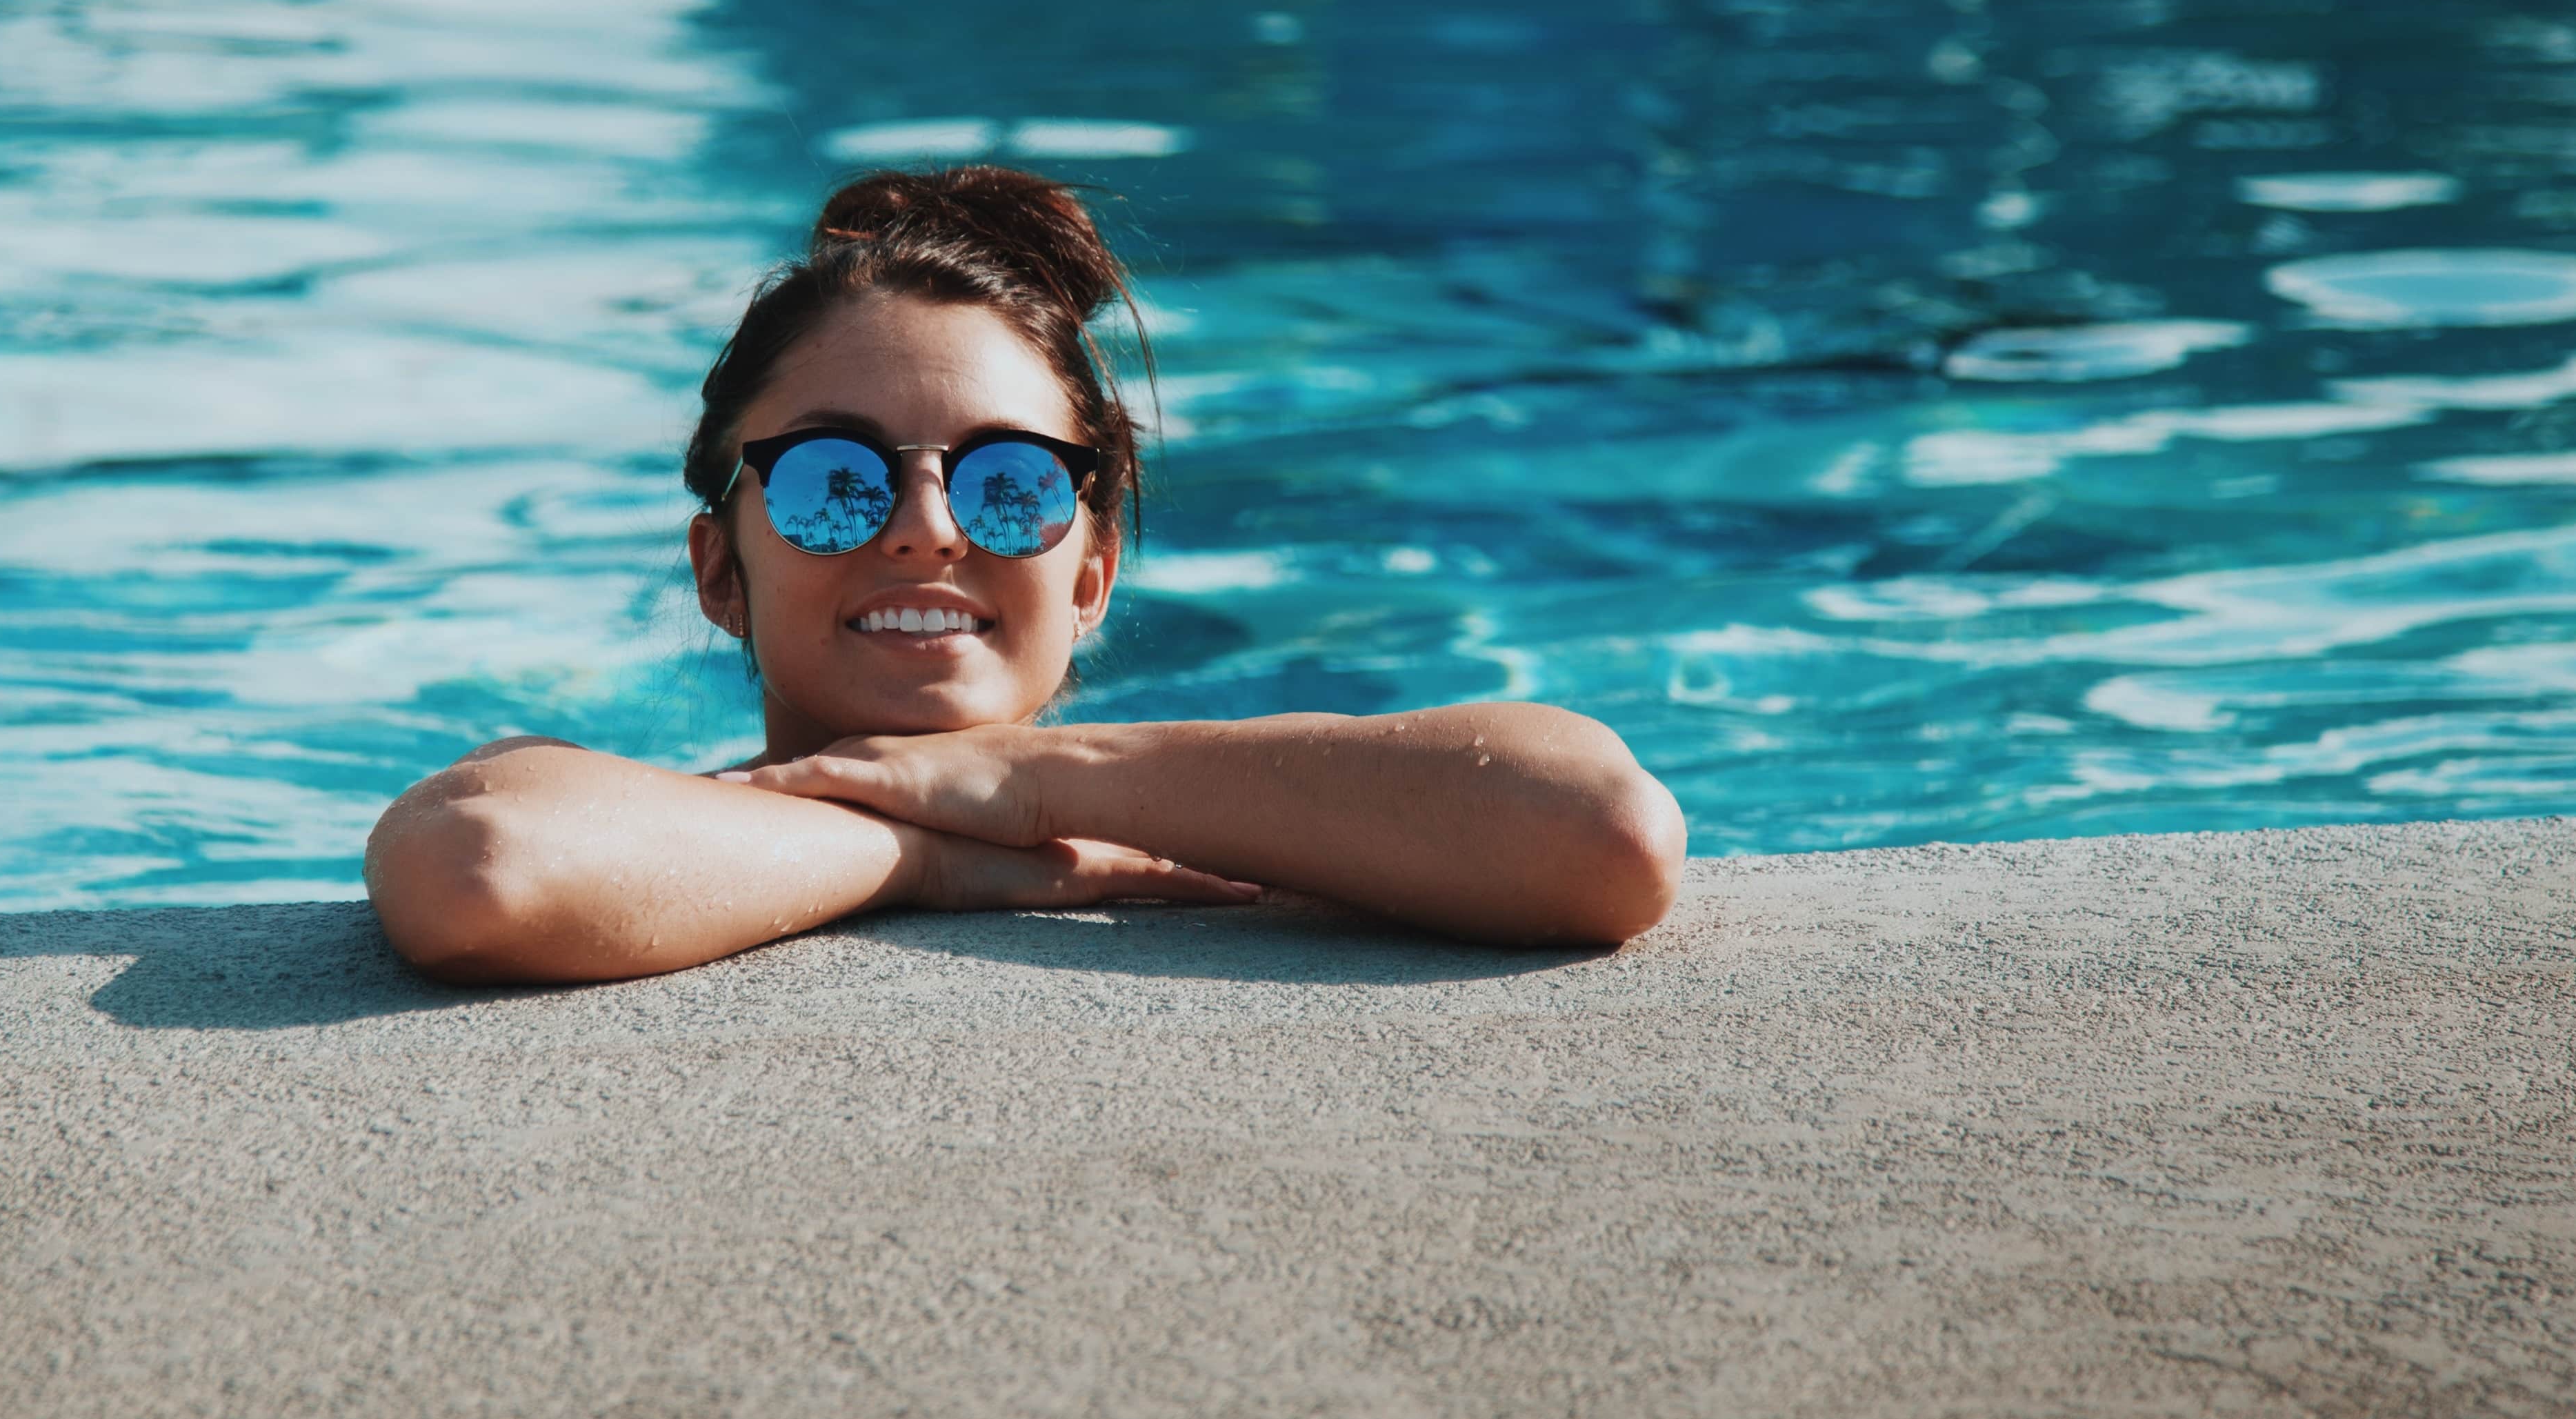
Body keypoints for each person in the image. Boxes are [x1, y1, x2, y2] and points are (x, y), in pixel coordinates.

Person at [364, 166, 1685, 983]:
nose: (929, 528)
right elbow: (483, 866)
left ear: (1093, 571)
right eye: (837, 479)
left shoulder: (1269, 811)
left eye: (1011, 484)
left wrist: (1039, 780)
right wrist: (925, 856)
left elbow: (1601, 836)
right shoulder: (631, 824)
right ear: (722, 569)